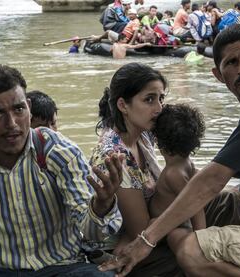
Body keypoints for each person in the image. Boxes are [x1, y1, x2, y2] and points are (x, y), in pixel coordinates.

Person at [99, 24, 240, 277]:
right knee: (230, 199)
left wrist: (148, 239)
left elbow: (213, 178)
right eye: (232, 63)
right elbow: (221, 185)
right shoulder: (128, 145)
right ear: (218, 75)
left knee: (190, 250)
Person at [0, 64, 124, 277]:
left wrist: (101, 206)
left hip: (62, 267)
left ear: (28, 107)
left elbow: (92, 234)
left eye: (18, 109)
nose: (12, 124)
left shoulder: (57, 151)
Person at [88, 63, 182, 277]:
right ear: (123, 105)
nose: (159, 108)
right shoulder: (115, 156)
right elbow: (140, 232)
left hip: (148, 232)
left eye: (161, 99)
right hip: (123, 252)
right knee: (192, 251)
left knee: (227, 201)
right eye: (149, 99)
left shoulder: (143, 134)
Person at [149, 104, 206, 234]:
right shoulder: (187, 163)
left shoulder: (173, 174)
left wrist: (201, 237)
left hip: (165, 230)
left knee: (122, 247)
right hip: (173, 224)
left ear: (158, 141)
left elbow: (195, 205)